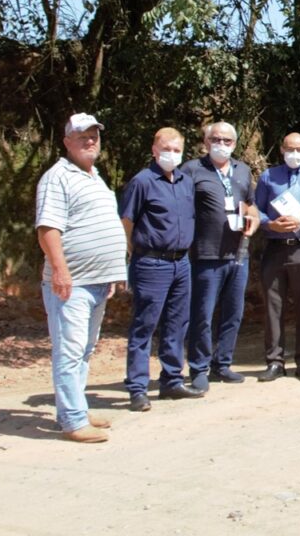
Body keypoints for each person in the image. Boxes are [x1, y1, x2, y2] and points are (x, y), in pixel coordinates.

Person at [36, 113, 128, 442]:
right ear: (66, 142)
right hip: (72, 284)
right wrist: (60, 270)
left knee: (84, 351)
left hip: (97, 281)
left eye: (94, 135)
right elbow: (48, 229)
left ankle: (77, 405)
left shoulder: (94, 176)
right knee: (70, 350)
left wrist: (113, 271)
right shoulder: (57, 176)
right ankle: (73, 421)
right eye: (81, 136)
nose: (90, 140)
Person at [120, 127, 202, 412]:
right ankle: (137, 388)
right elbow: (126, 222)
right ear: (154, 150)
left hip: (182, 262)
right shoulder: (142, 182)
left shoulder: (184, 181)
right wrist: (133, 254)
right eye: (166, 148)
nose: (171, 154)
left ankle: (171, 380)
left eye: (177, 149)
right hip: (151, 262)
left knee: (178, 324)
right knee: (145, 325)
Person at [181, 122, 260, 390]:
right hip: (205, 254)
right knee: (202, 314)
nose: (221, 144)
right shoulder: (191, 170)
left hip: (238, 253)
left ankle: (222, 364)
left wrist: (254, 220)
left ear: (235, 144)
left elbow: (251, 206)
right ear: (206, 142)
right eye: (216, 139)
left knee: (233, 313)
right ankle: (198, 368)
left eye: (227, 141)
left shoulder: (242, 170)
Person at [254, 132, 300, 383]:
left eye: (299, 149)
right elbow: (257, 211)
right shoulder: (267, 177)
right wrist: (270, 224)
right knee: (273, 307)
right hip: (275, 248)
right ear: (281, 149)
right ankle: (274, 361)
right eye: (290, 148)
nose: (294, 153)